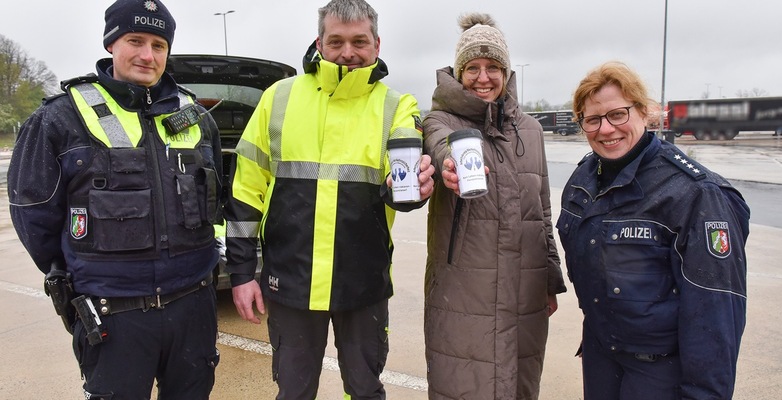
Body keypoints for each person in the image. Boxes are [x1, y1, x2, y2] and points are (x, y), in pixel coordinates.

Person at [7, 0, 222, 398]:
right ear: (111, 44)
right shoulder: (61, 117)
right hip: (113, 315)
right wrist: (77, 270)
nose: (147, 55)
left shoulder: (195, 116)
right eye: (135, 41)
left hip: (194, 308)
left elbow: (216, 198)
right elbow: (34, 214)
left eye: (159, 45)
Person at [223, 0, 435, 398]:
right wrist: (241, 272)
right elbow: (246, 190)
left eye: (359, 41)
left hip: (363, 285)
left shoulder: (397, 106)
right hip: (291, 282)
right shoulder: (278, 98)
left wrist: (413, 190)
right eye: (336, 41)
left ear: (377, 44)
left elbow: (404, 186)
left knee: (365, 391)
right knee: (294, 393)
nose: (347, 52)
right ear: (319, 42)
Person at [557, 61, 750, 399]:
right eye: (592, 119)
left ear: (644, 112)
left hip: (661, 373)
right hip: (602, 358)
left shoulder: (693, 193)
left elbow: (715, 314)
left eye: (618, 114)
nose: (606, 129)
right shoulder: (582, 181)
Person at [422, 13, 567, 399]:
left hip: (525, 292)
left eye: (493, 67)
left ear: (506, 72)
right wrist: (449, 166)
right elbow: (440, 146)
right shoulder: (440, 121)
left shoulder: (531, 131)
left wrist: (550, 279)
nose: (483, 77)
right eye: (473, 67)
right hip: (463, 293)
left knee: (520, 386)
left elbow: (542, 211)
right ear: (459, 72)